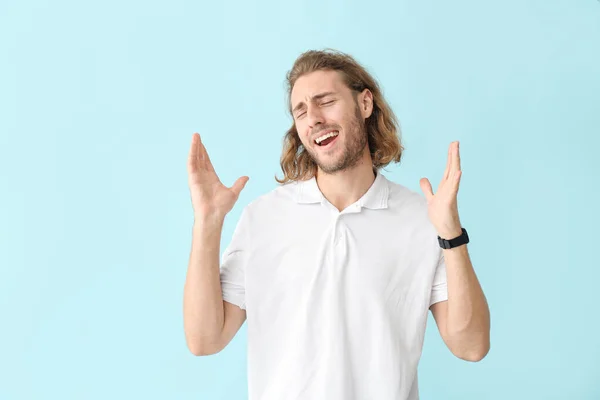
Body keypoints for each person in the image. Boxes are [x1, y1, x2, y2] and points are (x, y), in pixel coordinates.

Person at [183, 49, 490, 400]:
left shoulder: (421, 219)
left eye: (325, 101)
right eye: (300, 111)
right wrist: (207, 223)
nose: (312, 118)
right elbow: (205, 339)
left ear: (365, 103)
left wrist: (451, 233)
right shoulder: (263, 218)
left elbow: (472, 346)